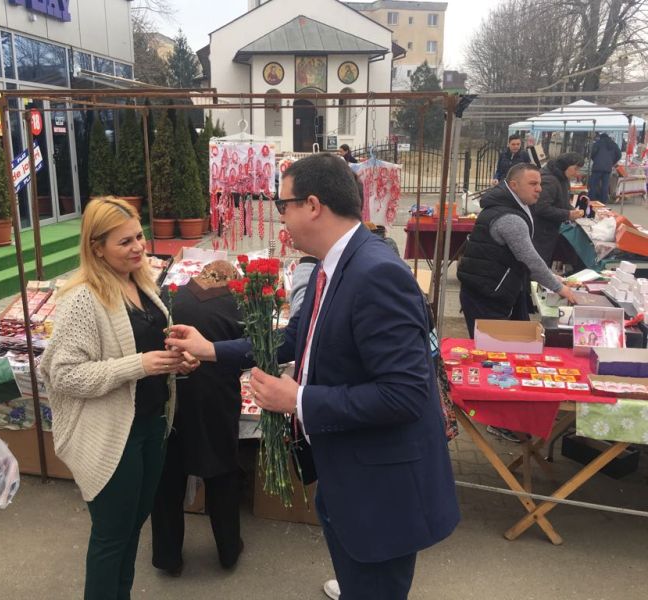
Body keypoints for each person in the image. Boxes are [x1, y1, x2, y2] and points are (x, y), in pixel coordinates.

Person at [168, 153, 460, 600]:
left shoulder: (376, 273)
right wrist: (210, 349)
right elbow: (294, 341)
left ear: (313, 205)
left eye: (282, 205)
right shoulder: (333, 263)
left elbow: (404, 394)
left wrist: (298, 400)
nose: (280, 217)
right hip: (346, 474)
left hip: (381, 492)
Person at [40, 197, 192, 600]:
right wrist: (138, 365)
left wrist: (178, 358)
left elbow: (149, 350)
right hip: (112, 436)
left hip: (152, 424)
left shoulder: (140, 282)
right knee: (111, 537)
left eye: (139, 236)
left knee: (131, 529)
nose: (138, 247)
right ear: (97, 248)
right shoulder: (82, 298)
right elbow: (64, 375)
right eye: (125, 242)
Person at [150, 261, 244, 577]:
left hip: (172, 396)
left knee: (167, 480)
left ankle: (167, 556)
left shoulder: (170, 295)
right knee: (222, 475)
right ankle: (228, 550)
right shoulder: (237, 304)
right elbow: (247, 352)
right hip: (215, 400)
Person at [458, 162, 578, 337]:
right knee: (493, 348)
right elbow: (530, 260)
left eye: (539, 184)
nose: (539, 189)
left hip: (490, 288)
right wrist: (559, 288)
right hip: (487, 294)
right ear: (514, 185)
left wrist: (552, 277)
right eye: (533, 184)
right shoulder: (509, 218)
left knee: (511, 341)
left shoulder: (515, 205)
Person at [532, 152, 586, 266]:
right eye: (575, 169)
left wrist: (572, 210)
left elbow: (561, 201)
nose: (577, 173)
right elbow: (541, 208)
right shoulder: (550, 180)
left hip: (549, 229)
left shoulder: (562, 177)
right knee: (539, 263)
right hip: (541, 231)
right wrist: (568, 214)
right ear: (565, 165)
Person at [588, 133, 622, 203]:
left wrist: (595, 159)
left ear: (601, 137)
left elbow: (591, 153)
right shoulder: (613, 144)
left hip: (597, 167)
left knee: (594, 184)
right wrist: (612, 162)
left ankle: (592, 199)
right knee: (605, 185)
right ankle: (603, 200)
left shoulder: (597, 143)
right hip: (608, 167)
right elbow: (619, 155)